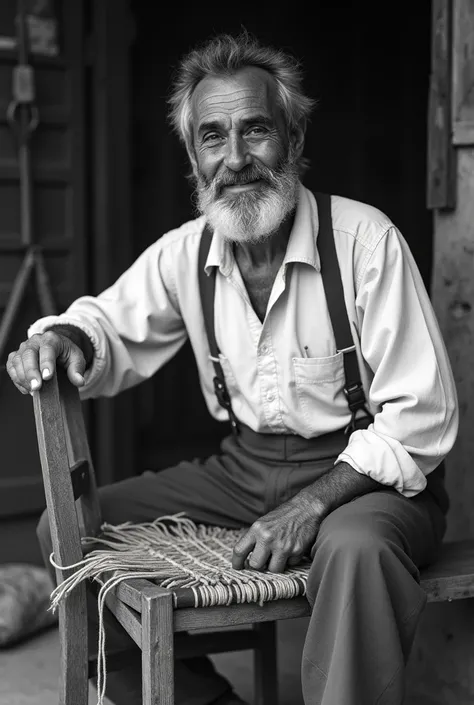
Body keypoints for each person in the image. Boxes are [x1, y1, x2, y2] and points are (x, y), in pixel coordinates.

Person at [7, 31, 458, 705]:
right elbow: (104, 325)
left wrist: (310, 503)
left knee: (356, 551)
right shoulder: (186, 254)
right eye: (213, 137)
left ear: (295, 139)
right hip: (244, 472)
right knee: (69, 528)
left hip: (368, 480)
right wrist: (65, 335)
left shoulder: (365, 242)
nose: (237, 158)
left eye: (256, 131)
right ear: (193, 157)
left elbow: (421, 417)